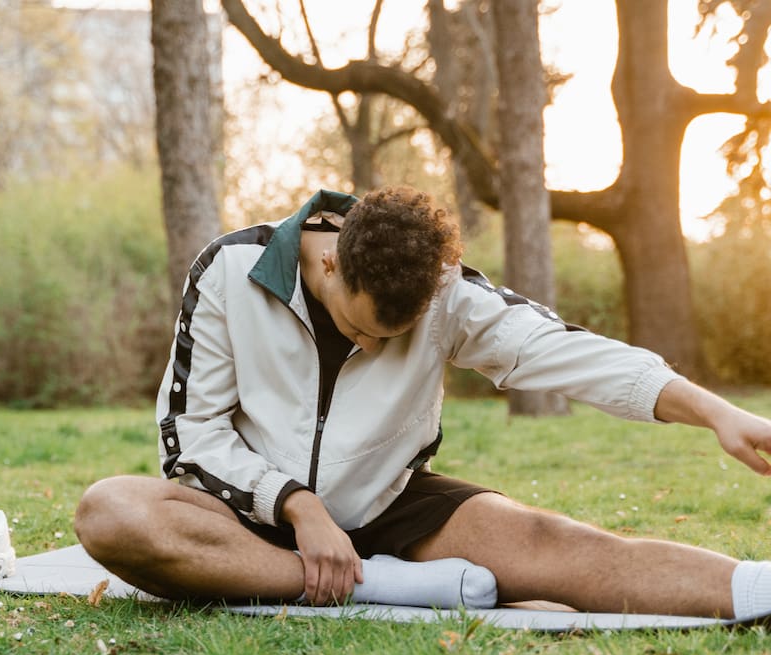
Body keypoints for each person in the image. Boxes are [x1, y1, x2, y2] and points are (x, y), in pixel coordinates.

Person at [73, 186, 771, 618]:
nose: (372, 350)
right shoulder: (228, 271)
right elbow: (191, 438)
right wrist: (297, 506)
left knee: (553, 543)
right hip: (246, 522)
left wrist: (716, 411)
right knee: (112, 511)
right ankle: (380, 586)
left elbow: (570, 353)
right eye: (359, 330)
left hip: (391, 509)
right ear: (328, 262)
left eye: (393, 341)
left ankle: (753, 590)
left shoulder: (447, 293)